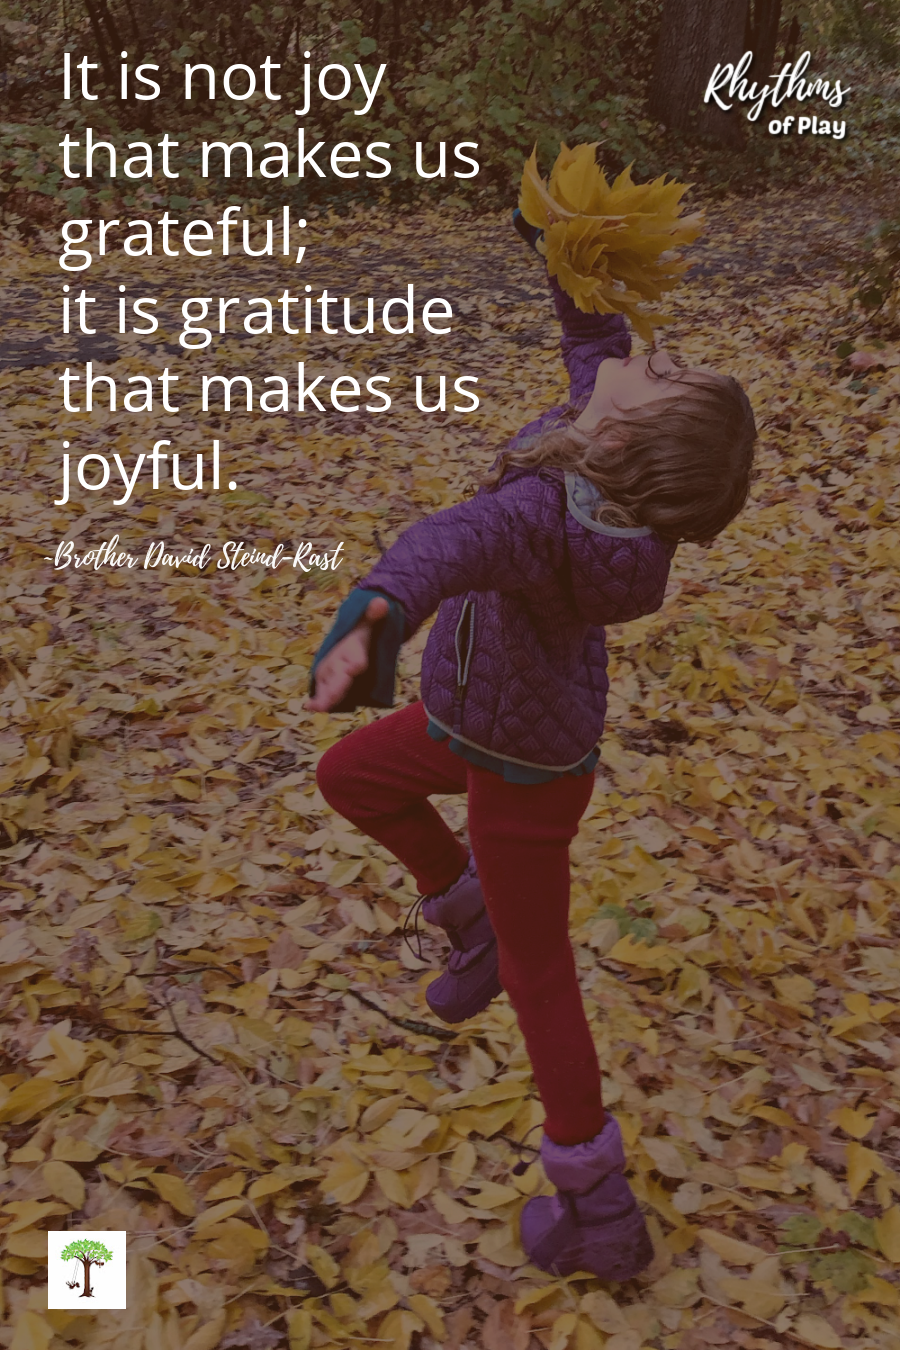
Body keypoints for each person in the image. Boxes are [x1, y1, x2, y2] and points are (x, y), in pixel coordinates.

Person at [306, 212, 757, 1280]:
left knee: (545, 973)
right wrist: (568, 246)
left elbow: (446, 543)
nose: (649, 356)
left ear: (622, 444)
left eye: (667, 374)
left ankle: (597, 1210)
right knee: (350, 777)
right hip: (479, 720)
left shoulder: (547, 515)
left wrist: (377, 615)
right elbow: (597, 344)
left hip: (524, 776)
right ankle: (471, 927)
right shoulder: (599, 461)